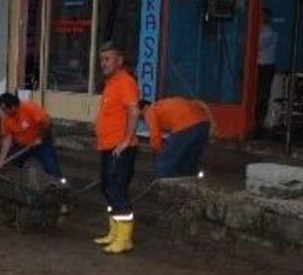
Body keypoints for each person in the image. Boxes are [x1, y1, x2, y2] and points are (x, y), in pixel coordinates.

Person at [92, 42, 140, 255]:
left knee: (117, 189)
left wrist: (126, 140)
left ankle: (124, 238)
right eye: (102, 59)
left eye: (107, 59)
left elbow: (134, 112)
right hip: (107, 146)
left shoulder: (126, 82)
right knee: (107, 188)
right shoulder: (111, 83)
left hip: (120, 148)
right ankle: (114, 232)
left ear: (119, 61)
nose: (103, 63)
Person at [0, 92, 64, 180]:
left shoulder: (29, 107)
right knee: (13, 164)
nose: (3, 112)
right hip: (22, 145)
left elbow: (47, 122)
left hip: (41, 142)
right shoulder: (5, 118)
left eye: (4, 110)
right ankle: (15, 183)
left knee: (50, 164)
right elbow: (7, 139)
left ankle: (60, 184)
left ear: (13, 107)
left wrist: (40, 137)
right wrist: (2, 159)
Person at [140, 97, 216, 178]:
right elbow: (198, 103)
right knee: (188, 158)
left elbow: (155, 136)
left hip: (187, 125)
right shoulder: (163, 105)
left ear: (144, 107)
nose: (140, 118)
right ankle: (190, 180)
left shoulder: (149, 111)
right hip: (203, 124)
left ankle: (163, 184)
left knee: (165, 160)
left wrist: (157, 150)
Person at [256, 8, 278, 132]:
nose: (260, 18)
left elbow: (256, 45)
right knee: (256, 94)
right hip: (258, 67)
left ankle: (260, 121)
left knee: (262, 94)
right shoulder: (258, 30)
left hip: (265, 67)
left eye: (262, 16)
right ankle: (256, 119)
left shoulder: (269, 32)